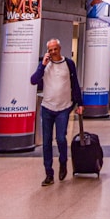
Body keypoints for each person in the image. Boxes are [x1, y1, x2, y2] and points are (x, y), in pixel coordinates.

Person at [30, 38, 83, 186]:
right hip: (47, 108)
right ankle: (48, 173)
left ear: (60, 49)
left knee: (60, 138)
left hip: (64, 107)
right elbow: (33, 80)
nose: (53, 52)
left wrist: (80, 103)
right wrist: (42, 65)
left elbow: (75, 84)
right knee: (46, 141)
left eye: (55, 49)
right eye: (50, 50)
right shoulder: (44, 65)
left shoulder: (69, 63)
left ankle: (63, 162)